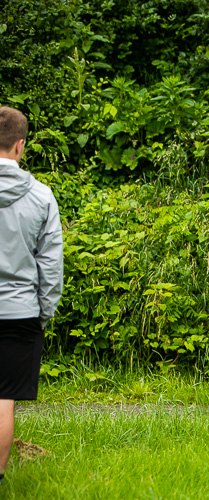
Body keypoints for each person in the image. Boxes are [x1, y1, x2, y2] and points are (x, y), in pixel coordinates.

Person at [0, 106, 64, 485]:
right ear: (21, 145)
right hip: (19, 311)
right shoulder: (41, 197)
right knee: (3, 398)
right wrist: (41, 313)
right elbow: (50, 266)